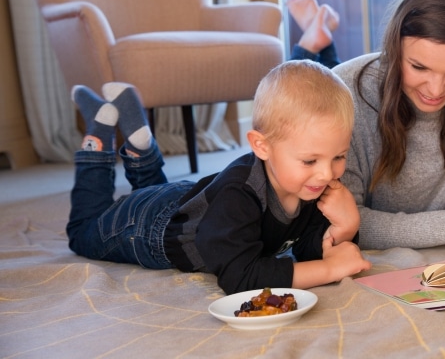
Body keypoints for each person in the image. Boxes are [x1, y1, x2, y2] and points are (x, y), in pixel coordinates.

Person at [66, 60, 371, 295]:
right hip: (147, 228)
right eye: (309, 160)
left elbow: (307, 249)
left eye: (339, 157)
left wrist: (346, 226)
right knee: (83, 232)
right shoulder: (240, 196)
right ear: (261, 146)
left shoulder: (310, 183)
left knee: (160, 191)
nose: (327, 173)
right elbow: (241, 277)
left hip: (193, 202)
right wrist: (328, 269)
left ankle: (142, 148)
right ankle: (97, 143)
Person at [286, 0, 445, 252]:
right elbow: (332, 221)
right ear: (394, 47)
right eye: (419, 67)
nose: (435, 90)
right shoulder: (347, 96)